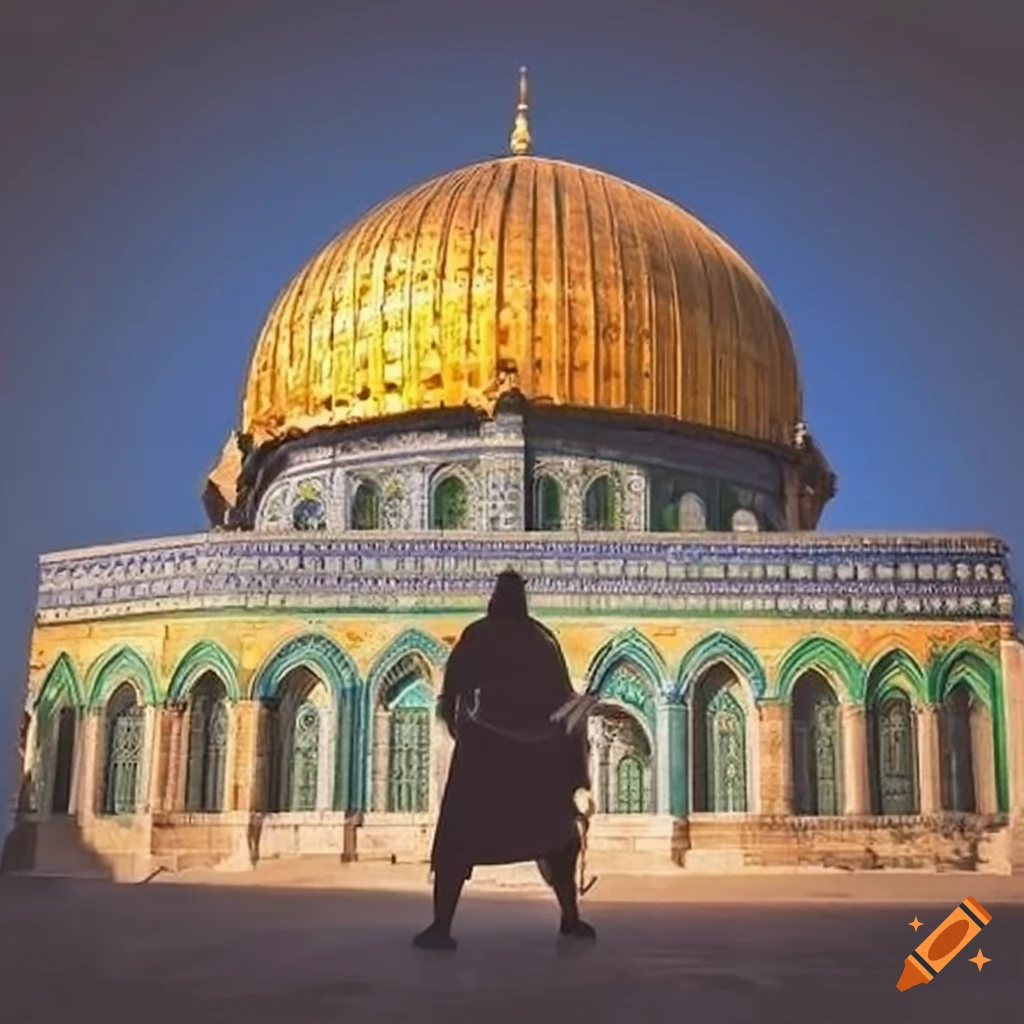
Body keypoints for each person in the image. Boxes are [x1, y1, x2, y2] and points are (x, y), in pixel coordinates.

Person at [413, 570, 596, 951]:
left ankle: (442, 926)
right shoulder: (541, 640)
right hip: (533, 758)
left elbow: (451, 698)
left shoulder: (479, 636)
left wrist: (466, 733)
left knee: (458, 840)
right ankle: (570, 918)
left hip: (485, 753)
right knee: (555, 838)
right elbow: (563, 705)